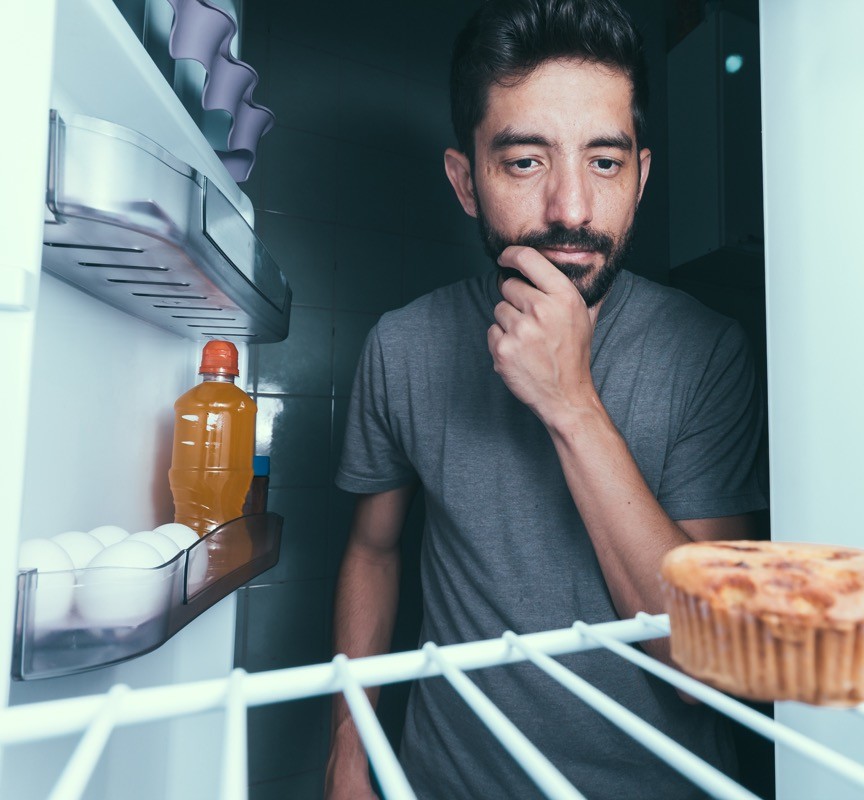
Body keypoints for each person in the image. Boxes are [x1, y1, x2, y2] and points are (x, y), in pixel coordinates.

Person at [325, 0, 767, 797]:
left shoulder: (709, 354)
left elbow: (706, 664)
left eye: (605, 162)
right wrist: (349, 749)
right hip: (453, 780)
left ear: (642, 177)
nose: (570, 208)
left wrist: (571, 402)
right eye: (526, 161)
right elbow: (374, 550)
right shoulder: (402, 345)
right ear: (466, 181)